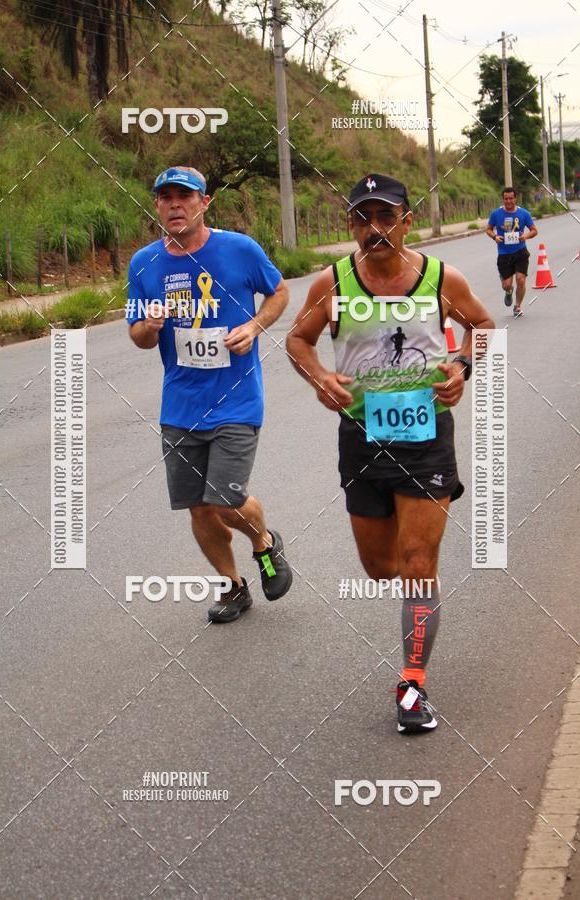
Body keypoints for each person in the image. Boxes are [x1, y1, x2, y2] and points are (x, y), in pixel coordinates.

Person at [286, 173, 494, 734]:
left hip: (426, 433)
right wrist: (319, 377)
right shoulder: (332, 283)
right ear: (350, 226)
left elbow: (480, 323)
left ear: (407, 220)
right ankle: (413, 625)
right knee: (381, 568)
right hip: (362, 437)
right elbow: (297, 340)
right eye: (362, 218)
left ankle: (412, 684)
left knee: (418, 564)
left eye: (386, 217)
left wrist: (461, 367)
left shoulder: (439, 278)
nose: (374, 229)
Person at [127, 165, 293, 622]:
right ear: (157, 205)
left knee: (224, 497)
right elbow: (138, 337)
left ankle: (264, 542)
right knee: (198, 509)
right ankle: (233, 587)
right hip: (180, 406)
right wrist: (149, 325)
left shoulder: (239, 249)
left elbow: (279, 291)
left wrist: (254, 326)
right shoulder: (144, 264)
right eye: (166, 197)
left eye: (185, 196)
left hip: (237, 400)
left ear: (205, 203)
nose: (174, 204)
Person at [486, 187, 538, 317]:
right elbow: (488, 229)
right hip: (504, 254)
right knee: (507, 285)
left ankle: (518, 306)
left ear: (515, 198)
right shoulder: (496, 214)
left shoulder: (524, 214)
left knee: (521, 280)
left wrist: (525, 236)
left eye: (511, 198)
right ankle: (508, 291)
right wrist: (494, 237)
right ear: (503, 199)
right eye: (506, 199)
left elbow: (534, 230)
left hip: (520, 251)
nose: (508, 201)